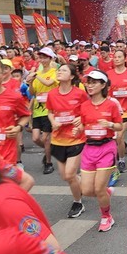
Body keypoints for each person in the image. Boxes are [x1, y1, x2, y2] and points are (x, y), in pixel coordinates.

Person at [77, 70, 122, 232]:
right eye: (88, 82)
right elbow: (83, 125)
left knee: (98, 189)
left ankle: (106, 217)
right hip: (89, 148)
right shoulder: (84, 106)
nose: (90, 85)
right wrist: (78, 130)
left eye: (94, 82)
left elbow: (119, 126)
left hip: (106, 148)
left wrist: (109, 125)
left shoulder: (111, 105)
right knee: (87, 190)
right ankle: (106, 192)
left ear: (103, 85)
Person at [47, 64, 89, 217]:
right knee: (66, 176)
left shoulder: (79, 94)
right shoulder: (52, 94)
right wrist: (53, 121)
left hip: (76, 138)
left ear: (71, 76)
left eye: (63, 70)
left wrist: (80, 118)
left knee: (70, 174)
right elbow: (50, 112)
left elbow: (88, 110)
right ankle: (83, 183)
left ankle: (78, 203)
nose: (59, 72)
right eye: (59, 70)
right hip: (58, 139)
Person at [106, 50, 127, 172]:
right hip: (111, 109)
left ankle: (121, 160)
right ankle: (121, 148)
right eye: (114, 57)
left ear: (125, 59)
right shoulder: (108, 74)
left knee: (119, 136)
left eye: (119, 57)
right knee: (114, 137)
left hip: (126, 110)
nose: (116, 59)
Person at [27, 47, 58, 174]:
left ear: (50, 58)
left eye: (45, 57)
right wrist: (30, 82)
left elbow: (49, 83)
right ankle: (49, 149)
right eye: (40, 57)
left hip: (49, 110)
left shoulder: (54, 71)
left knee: (45, 138)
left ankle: (48, 162)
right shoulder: (37, 75)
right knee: (35, 138)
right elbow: (33, 92)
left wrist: (36, 75)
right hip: (37, 109)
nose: (42, 60)